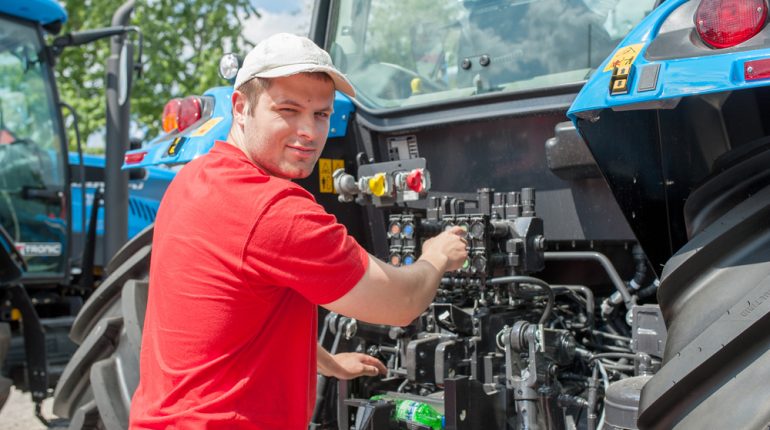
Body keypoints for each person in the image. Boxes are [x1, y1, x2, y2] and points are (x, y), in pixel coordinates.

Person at [128, 33, 467, 430]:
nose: (308, 131)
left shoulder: (193, 179)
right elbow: (403, 302)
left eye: (321, 114)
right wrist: (436, 257)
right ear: (241, 108)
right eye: (288, 110)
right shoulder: (275, 211)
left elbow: (237, 312)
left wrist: (325, 362)